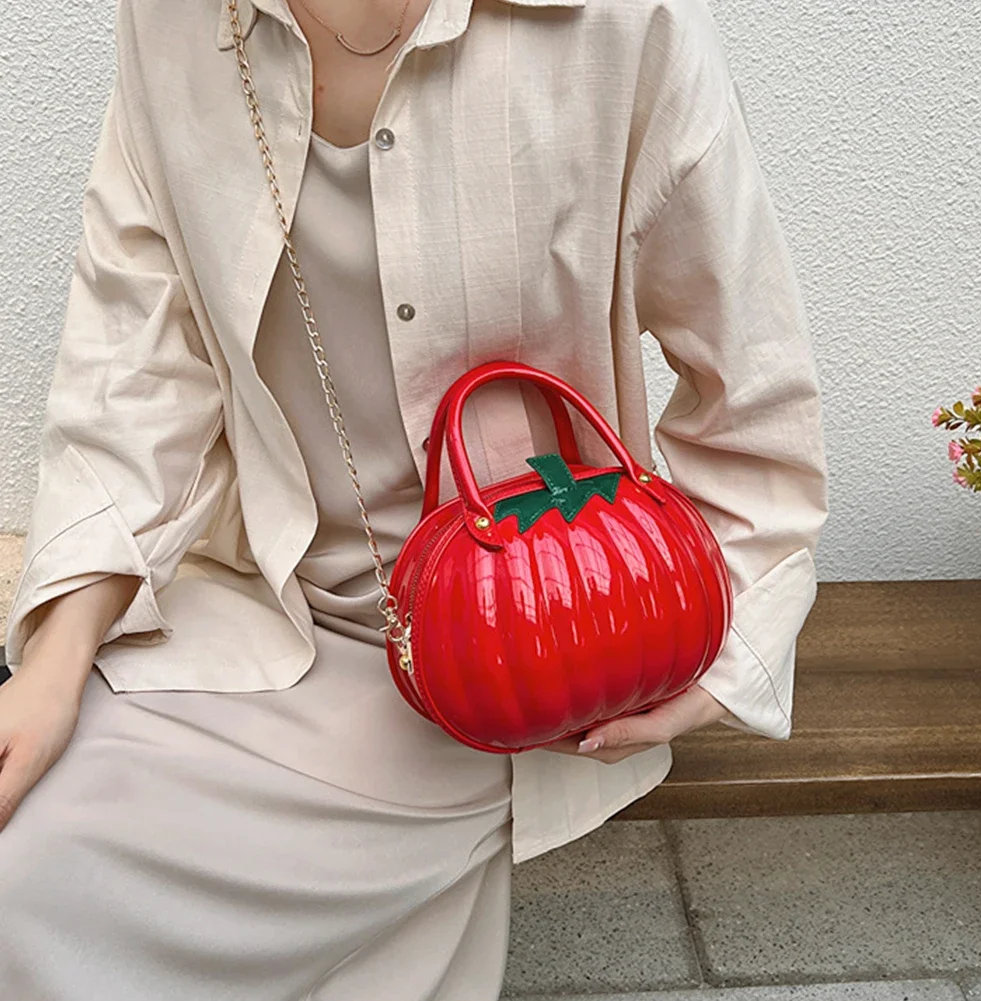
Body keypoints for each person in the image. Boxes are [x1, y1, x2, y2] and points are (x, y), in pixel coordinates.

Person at [0, 0, 828, 997]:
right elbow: (136, 353)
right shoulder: (176, 17)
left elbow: (751, 386)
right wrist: (57, 649)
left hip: (511, 661)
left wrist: (716, 652)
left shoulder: (617, 22)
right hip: (264, 614)